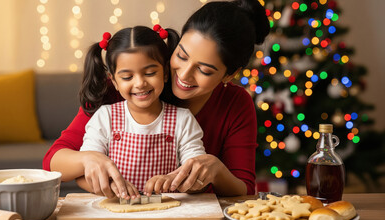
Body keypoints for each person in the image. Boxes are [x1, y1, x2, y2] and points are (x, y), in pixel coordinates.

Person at [43, 0, 269, 198]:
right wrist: (88, 160)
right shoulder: (120, 90)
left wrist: (217, 170)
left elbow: (245, 190)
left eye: (205, 70)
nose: (184, 74)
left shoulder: (235, 104)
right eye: (181, 55)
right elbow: (52, 160)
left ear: (229, 75)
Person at [52, 25, 206, 200]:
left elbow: (197, 171)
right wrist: (108, 186)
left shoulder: (183, 119)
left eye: (150, 73)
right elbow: (86, 171)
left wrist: (174, 180)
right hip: (115, 213)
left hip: (166, 213)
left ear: (164, 73)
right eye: (127, 77)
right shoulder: (105, 117)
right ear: (114, 81)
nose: (140, 83)